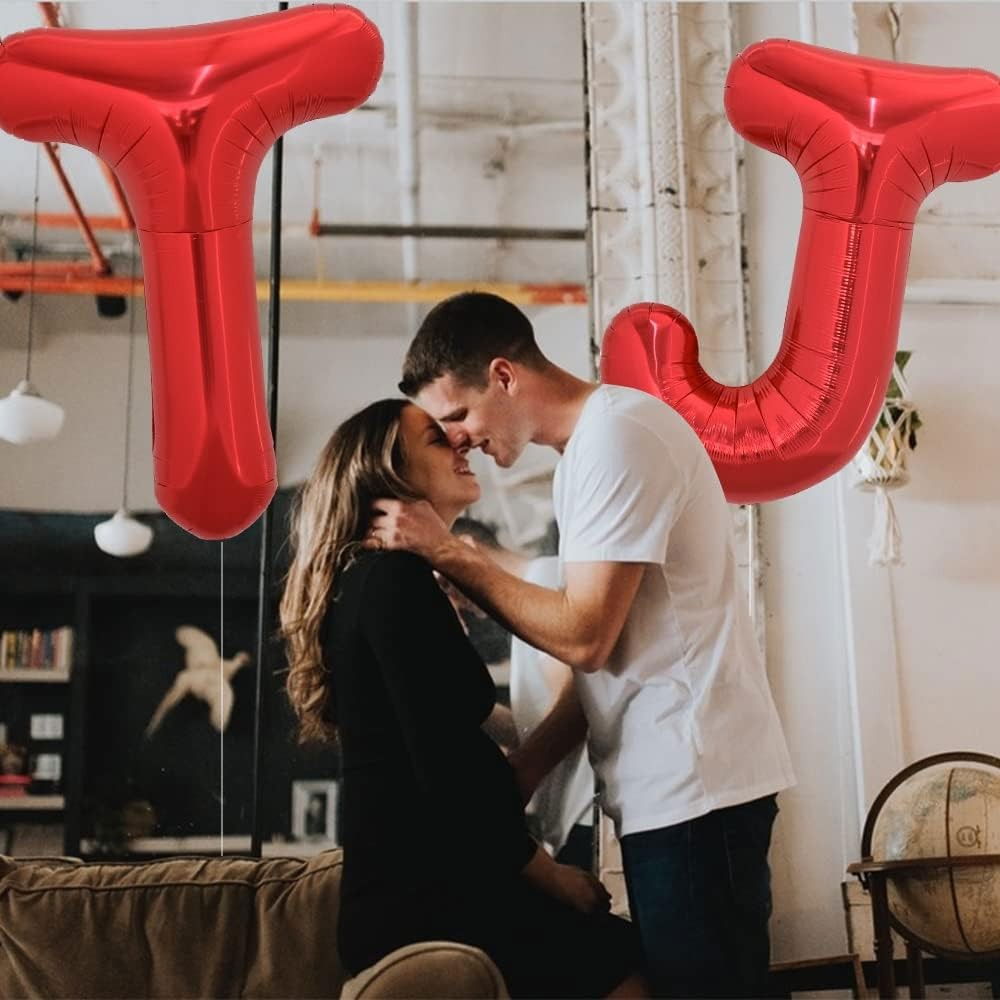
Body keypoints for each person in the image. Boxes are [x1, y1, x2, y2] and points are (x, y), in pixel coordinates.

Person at [367, 292, 796, 998]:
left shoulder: (619, 437)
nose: (461, 440)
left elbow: (586, 638)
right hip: (671, 791)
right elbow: (608, 657)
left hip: (696, 789)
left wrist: (452, 554)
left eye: (460, 416)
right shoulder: (583, 459)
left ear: (503, 376)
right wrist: (530, 765)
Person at [278, 398, 645, 999]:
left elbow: (443, 728)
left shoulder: (371, 581)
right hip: (428, 905)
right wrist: (548, 874)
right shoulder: (393, 581)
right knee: (632, 966)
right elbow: (450, 765)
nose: (459, 443)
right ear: (392, 474)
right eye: (434, 438)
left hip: (408, 897)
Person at [451, 518, 595, 871]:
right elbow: (532, 727)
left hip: (585, 815)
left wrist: (516, 779)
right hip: (570, 819)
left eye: (445, 583)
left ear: (467, 548)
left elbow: (576, 708)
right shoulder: (524, 601)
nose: (453, 601)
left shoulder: (543, 581)